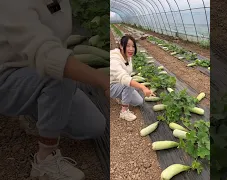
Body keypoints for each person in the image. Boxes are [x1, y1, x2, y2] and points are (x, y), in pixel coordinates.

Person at [0, 1, 109, 179]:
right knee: (59, 76)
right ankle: (45, 160)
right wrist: (102, 80)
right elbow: (51, 58)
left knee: (94, 126)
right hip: (5, 77)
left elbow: (56, 44)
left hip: (36, 72)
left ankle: (37, 108)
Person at [110, 35, 155, 121]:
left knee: (139, 101)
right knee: (129, 84)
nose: (131, 49)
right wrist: (143, 87)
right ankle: (124, 111)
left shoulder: (128, 57)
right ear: (121, 46)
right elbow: (125, 78)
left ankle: (120, 97)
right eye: (128, 46)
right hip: (109, 85)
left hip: (120, 84)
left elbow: (127, 75)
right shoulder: (114, 60)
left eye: (133, 46)